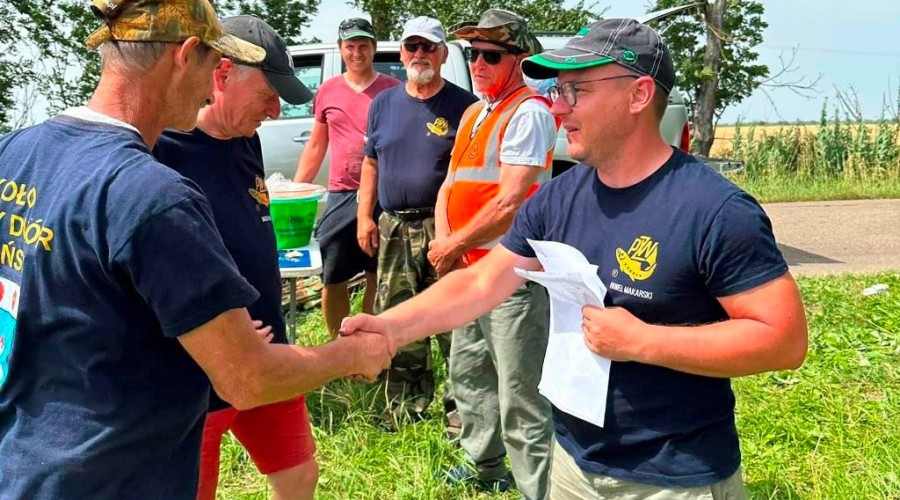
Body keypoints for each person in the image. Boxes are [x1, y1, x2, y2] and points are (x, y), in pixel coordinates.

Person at [342, 17, 809, 500]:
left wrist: (644, 341)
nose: (558, 109)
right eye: (557, 91)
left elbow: (783, 340)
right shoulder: (558, 199)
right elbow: (482, 284)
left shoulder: (714, 209)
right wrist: (390, 328)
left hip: (674, 478)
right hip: (572, 464)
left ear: (638, 95)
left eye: (575, 92)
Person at [0, 1, 394, 498]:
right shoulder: (150, 192)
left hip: (25, 463)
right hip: (117, 475)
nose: (213, 85)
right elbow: (245, 379)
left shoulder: (13, 151)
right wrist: (353, 352)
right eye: (213, 64)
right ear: (188, 56)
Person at [152, 16, 321, 500]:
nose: (274, 111)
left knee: (298, 476)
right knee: (195, 489)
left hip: (270, 353)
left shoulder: (246, 138)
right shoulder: (159, 148)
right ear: (221, 74)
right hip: (200, 368)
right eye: (268, 94)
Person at [423, 9, 559, 498]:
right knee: (469, 375)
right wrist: (447, 246)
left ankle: (536, 488)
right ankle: (484, 465)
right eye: (473, 53)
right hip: (466, 272)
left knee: (519, 393)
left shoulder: (530, 113)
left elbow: (508, 202)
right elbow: (449, 186)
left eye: (491, 55)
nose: (477, 63)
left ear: (520, 60)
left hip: (508, 277)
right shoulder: (475, 112)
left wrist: (451, 246)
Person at [356, 16, 477, 429]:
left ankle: (461, 413)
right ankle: (405, 407)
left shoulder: (465, 107)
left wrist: (458, 237)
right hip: (393, 228)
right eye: (412, 47)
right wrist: (364, 217)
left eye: (429, 47)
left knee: (452, 321)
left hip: (444, 231)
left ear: (443, 54)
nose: (419, 54)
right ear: (402, 53)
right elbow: (370, 163)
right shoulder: (383, 103)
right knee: (399, 316)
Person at [293, 18, 399, 337]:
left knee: (375, 274)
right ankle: (338, 345)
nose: (357, 52)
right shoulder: (327, 91)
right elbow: (315, 146)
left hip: (383, 195)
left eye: (363, 45)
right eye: (350, 46)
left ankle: (366, 341)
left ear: (374, 49)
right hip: (341, 195)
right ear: (341, 50)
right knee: (333, 277)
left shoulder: (393, 90)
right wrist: (295, 192)